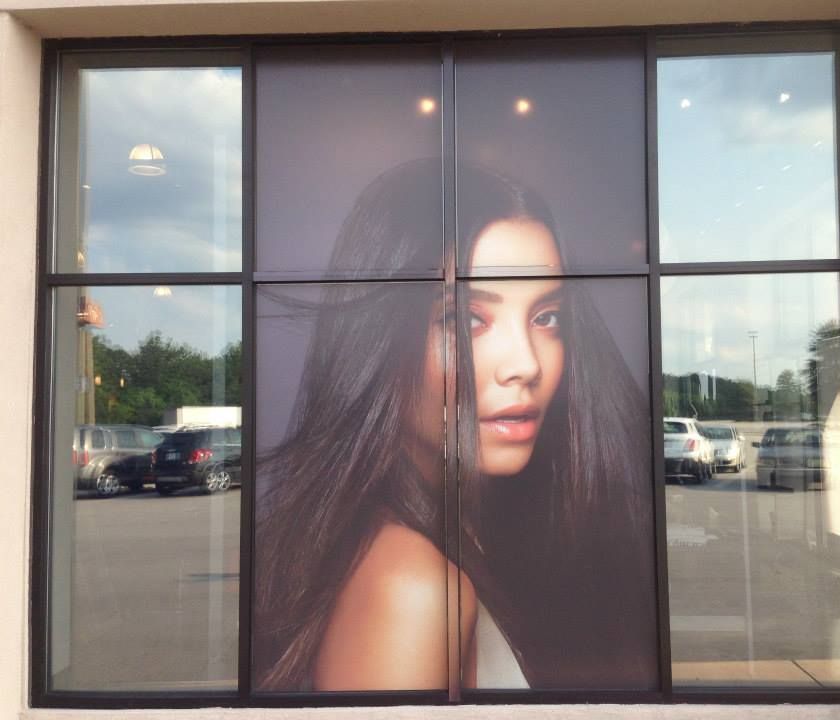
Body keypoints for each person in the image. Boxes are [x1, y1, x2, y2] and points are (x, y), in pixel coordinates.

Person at [253, 159, 658, 692]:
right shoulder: (412, 589)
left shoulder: (460, 530)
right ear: (378, 340)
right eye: (465, 319)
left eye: (546, 317)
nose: (527, 364)